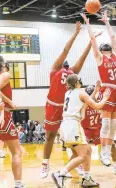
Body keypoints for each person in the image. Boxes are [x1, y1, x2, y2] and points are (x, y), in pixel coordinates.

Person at [41, 21, 102, 179]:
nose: (66, 66)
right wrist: (75, 33)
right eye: (65, 64)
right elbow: (65, 50)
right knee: (50, 136)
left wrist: (91, 42)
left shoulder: (73, 73)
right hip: (52, 106)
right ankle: (45, 163)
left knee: (74, 139)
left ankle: (75, 165)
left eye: (68, 65)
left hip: (67, 110)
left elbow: (82, 57)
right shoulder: (55, 69)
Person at [52, 74, 111, 188]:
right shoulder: (81, 92)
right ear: (77, 82)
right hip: (73, 125)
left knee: (87, 150)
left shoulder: (68, 93)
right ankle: (60, 174)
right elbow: (97, 105)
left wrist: (95, 91)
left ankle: (87, 178)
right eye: (79, 79)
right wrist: (105, 97)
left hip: (67, 125)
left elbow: (84, 103)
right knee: (83, 155)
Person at [81, 11, 116, 166]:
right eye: (104, 50)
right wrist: (88, 23)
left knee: (114, 126)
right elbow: (92, 40)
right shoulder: (99, 58)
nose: (106, 51)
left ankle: (106, 152)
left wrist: (107, 22)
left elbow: (113, 37)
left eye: (107, 50)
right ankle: (104, 153)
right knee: (105, 124)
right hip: (107, 90)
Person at [0, 55, 34, 188]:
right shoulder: (5, 75)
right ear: (1, 63)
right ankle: (19, 187)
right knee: (16, 152)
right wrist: (10, 102)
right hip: (4, 115)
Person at [77, 85, 116, 175]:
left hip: (97, 129)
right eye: (89, 94)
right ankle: (81, 166)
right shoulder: (82, 103)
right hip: (86, 129)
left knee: (112, 144)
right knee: (82, 147)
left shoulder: (100, 102)